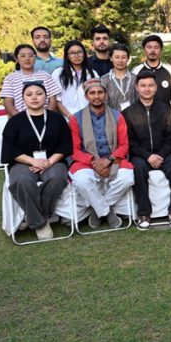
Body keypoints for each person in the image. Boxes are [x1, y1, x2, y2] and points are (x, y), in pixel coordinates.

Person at [1, 81, 72, 240]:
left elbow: (65, 144)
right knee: (21, 181)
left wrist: (49, 162)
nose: (34, 98)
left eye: (39, 94)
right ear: (23, 98)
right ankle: (40, 223)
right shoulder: (15, 121)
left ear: (46, 97)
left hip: (53, 161)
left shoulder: (57, 119)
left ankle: (32, 217)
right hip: (23, 162)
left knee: (57, 179)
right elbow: (9, 149)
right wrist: (33, 161)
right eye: (29, 94)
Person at [123, 71, 171, 229]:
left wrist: (160, 155)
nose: (147, 89)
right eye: (143, 85)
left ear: (156, 87)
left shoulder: (165, 110)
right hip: (141, 156)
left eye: (150, 85)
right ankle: (144, 213)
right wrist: (148, 156)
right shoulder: (128, 113)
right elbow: (130, 141)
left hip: (163, 154)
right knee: (137, 168)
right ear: (136, 87)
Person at [69, 79, 134, 229]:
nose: (96, 96)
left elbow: (124, 145)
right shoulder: (75, 118)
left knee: (127, 179)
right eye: (92, 93)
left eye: (100, 92)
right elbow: (74, 150)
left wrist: (109, 160)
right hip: (86, 161)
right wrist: (94, 162)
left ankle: (96, 207)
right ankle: (106, 211)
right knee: (82, 180)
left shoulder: (118, 116)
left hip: (114, 159)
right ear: (86, 97)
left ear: (106, 95)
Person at [1, 43, 60, 116]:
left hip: (45, 119)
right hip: (20, 120)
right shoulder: (10, 78)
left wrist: (45, 117)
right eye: (23, 56)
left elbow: (53, 100)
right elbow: (8, 103)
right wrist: (20, 120)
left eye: (31, 55)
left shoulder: (45, 76)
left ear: (35, 58)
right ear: (16, 58)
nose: (27, 58)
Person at [51, 40, 98, 119]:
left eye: (79, 52)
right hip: (67, 120)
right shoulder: (58, 73)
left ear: (84, 54)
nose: (77, 56)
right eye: (72, 53)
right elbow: (56, 100)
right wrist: (69, 116)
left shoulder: (92, 73)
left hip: (89, 119)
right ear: (67, 56)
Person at [131, 34, 171, 108]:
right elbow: (133, 95)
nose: (152, 51)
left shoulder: (170, 70)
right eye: (149, 47)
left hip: (165, 116)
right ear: (144, 49)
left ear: (161, 50)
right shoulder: (136, 71)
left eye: (156, 47)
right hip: (143, 115)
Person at [100, 43, 137, 111]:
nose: (120, 60)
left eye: (123, 57)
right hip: (113, 118)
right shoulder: (104, 79)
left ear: (128, 59)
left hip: (133, 118)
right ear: (111, 58)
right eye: (117, 57)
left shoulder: (135, 78)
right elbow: (103, 102)